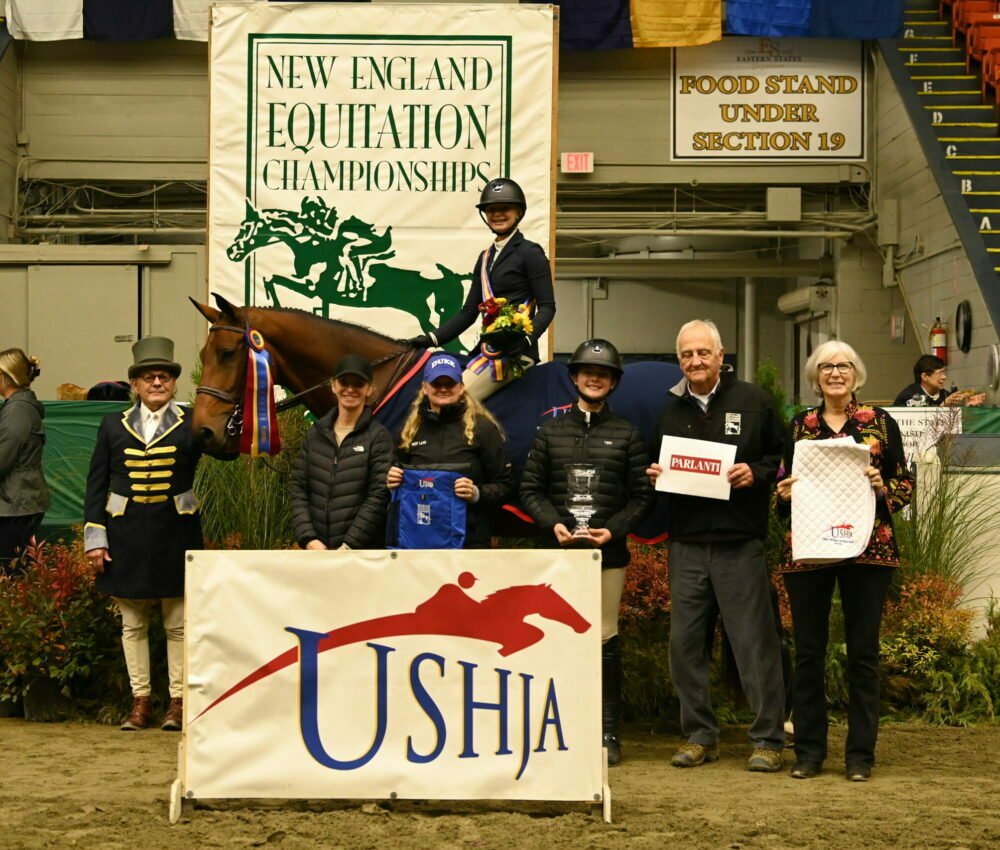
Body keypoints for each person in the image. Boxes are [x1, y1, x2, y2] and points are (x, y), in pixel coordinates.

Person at [646, 319, 787, 773]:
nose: (695, 361)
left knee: (753, 645)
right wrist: (653, 473)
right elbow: (656, 461)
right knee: (685, 646)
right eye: (687, 354)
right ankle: (698, 735)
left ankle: (767, 739)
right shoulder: (668, 409)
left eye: (703, 353)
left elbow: (783, 458)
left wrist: (757, 473)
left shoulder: (754, 400)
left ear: (721, 357)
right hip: (686, 543)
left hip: (738, 543)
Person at [775, 340, 913, 782]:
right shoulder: (800, 425)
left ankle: (860, 756)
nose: (836, 372)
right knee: (809, 653)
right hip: (810, 551)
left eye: (845, 365)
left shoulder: (880, 423)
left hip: (868, 549)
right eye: (827, 366)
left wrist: (880, 487)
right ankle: (810, 752)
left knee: (863, 655)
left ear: (856, 373)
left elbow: (904, 484)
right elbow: (781, 484)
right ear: (816, 376)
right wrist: (783, 495)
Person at [519, 339, 654, 766]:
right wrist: (550, 523)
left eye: (603, 374)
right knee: (553, 640)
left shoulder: (628, 434)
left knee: (603, 639)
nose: (594, 378)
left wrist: (611, 532)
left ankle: (607, 731)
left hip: (606, 556)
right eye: (586, 372)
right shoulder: (549, 431)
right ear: (574, 378)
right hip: (558, 553)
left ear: (612, 382)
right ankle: (551, 727)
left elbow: (641, 497)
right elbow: (530, 489)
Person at [84, 337, 202, 732]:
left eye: (164, 376)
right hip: (125, 536)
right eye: (149, 376)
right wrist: (95, 540)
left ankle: (178, 702)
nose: (157, 382)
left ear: (173, 383)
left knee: (178, 625)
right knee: (132, 625)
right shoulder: (110, 425)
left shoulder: (192, 420)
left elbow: (224, 448)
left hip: (176, 534)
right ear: (134, 384)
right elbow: (95, 486)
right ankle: (140, 702)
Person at [406, 178, 556, 400]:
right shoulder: (485, 258)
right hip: (488, 351)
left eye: (504, 208)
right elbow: (469, 312)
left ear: (519, 213)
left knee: (450, 399)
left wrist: (525, 340)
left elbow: (547, 307)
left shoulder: (530, 253)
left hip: (516, 353)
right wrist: (430, 339)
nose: (497, 214)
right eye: (491, 210)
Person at [387, 353, 513, 548]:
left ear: (461, 387)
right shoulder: (410, 431)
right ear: (424, 388)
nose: (443, 389)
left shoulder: (483, 428)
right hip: (418, 538)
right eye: (437, 383)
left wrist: (477, 493)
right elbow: (393, 477)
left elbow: (506, 485)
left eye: (450, 383)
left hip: (469, 540)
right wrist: (391, 480)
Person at [290, 355, 394, 551]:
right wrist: (309, 539)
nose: (350, 389)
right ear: (333, 385)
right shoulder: (315, 434)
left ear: (369, 389)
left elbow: (379, 495)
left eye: (358, 384)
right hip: (317, 552)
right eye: (344, 382)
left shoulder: (379, 437)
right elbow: (299, 489)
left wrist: (349, 545)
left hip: (360, 555)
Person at [0, 349, 50, 565]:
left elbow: (3, 458)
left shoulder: (17, 410)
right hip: (18, 500)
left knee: (11, 573)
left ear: (5, 376)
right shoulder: (18, 406)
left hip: (15, 504)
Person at [893, 354, 985, 407]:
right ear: (924, 377)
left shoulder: (945, 395)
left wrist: (967, 406)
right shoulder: (909, 396)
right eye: (940, 373)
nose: (944, 377)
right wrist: (944, 405)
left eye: (944, 372)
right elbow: (923, 421)